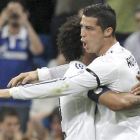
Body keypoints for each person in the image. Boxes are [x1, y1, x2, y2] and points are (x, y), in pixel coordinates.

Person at [1, 4, 140, 140]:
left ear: (108, 31)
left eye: (89, 28)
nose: (83, 34)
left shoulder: (108, 64)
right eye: (82, 28)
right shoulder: (124, 54)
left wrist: (11, 92)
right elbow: (76, 70)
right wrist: (40, 74)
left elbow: (63, 85)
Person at [0, 0, 43, 132]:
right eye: (10, 11)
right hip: (0, 94)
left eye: (17, 11)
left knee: (21, 134)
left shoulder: (26, 35)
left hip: (21, 97)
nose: (13, 15)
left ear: (26, 14)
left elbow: (38, 50)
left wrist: (25, 23)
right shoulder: (2, 33)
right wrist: (1, 20)